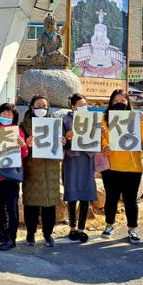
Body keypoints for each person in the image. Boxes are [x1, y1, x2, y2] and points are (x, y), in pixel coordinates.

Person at [100, 89, 143, 244]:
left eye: (123, 101)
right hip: (111, 166)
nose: (119, 104)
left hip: (132, 167)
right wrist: (104, 147)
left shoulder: (136, 119)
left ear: (128, 103)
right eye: (116, 101)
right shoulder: (104, 118)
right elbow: (102, 139)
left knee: (131, 200)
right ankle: (109, 224)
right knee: (111, 198)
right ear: (111, 103)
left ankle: (132, 228)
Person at [21, 95, 62, 247]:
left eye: (44, 106)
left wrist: (62, 141)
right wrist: (26, 143)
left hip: (51, 170)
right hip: (32, 170)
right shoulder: (24, 124)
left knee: (49, 205)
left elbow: (61, 145)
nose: (41, 109)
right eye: (38, 106)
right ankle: (30, 233)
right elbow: (19, 147)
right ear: (32, 107)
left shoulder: (55, 124)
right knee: (31, 204)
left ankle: (48, 234)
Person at [0, 103, 27, 251]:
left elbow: (24, 154)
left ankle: (12, 238)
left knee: (11, 207)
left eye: (10, 114)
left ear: (14, 117)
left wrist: (22, 145)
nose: (6, 116)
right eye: (4, 113)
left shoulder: (18, 132)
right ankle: (3, 232)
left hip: (10, 177)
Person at [62, 93, 96, 243]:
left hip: (87, 157)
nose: (83, 108)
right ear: (73, 107)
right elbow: (60, 141)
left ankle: (82, 228)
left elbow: (97, 138)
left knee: (85, 193)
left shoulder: (93, 119)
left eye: (85, 105)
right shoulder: (66, 120)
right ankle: (73, 227)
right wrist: (67, 138)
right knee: (72, 193)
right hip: (72, 158)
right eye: (80, 105)